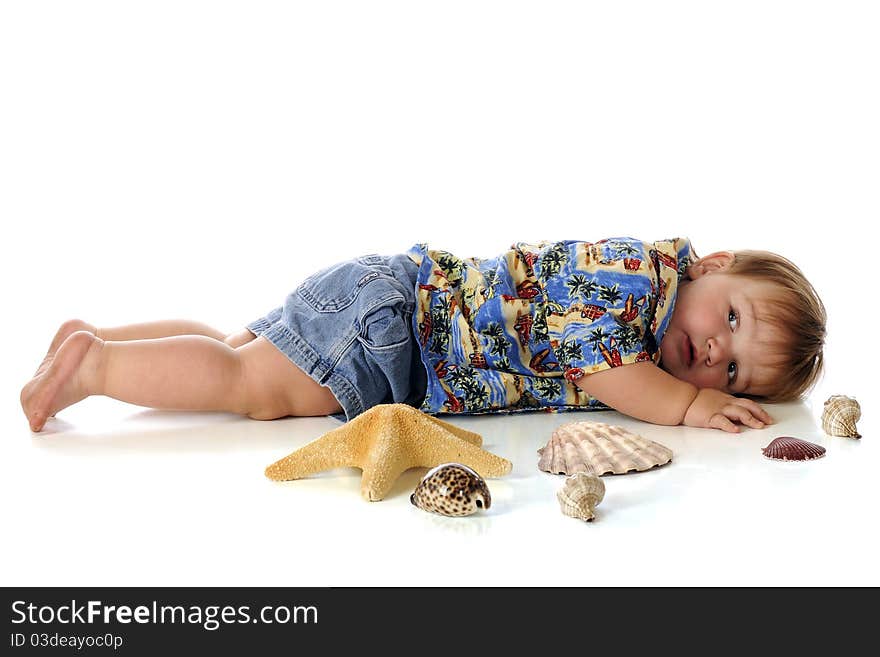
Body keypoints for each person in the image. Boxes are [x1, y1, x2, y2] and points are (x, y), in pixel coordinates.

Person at [20, 237, 826, 434]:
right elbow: (602, 367)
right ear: (711, 265)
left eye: (739, 377)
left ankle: (100, 339)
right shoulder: (635, 281)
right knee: (251, 391)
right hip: (396, 334)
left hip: (385, 300)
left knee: (236, 354)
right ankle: (95, 368)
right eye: (732, 318)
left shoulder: (650, 308)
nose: (718, 354)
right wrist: (688, 408)